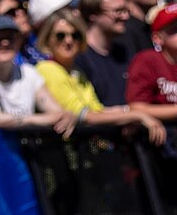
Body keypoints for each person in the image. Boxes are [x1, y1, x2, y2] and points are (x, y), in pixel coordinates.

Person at [34, 10, 166, 145]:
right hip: (69, 152)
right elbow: (84, 116)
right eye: (60, 35)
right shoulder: (47, 69)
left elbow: (97, 110)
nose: (69, 41)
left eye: (75, 35)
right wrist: (136, 115)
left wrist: (128, 113)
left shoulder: (76, 71)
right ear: (47, 39)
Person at [0, 14, 71, 135]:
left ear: (18, 42)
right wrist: (37, 119)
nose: (4, 43)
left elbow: (58, 114)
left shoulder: (29, 72)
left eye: (10, 38)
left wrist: (11, 120)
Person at [76, 0, 136, 107]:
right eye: (118, 11)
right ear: (93, 14)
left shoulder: (124, 52)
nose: (125, 17)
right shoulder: (79, 56)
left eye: (126, 10)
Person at [125, 4, 177, 133]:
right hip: (161, 140)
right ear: (157, 38)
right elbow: (136, 107)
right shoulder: (148, 60)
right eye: (174, 29)